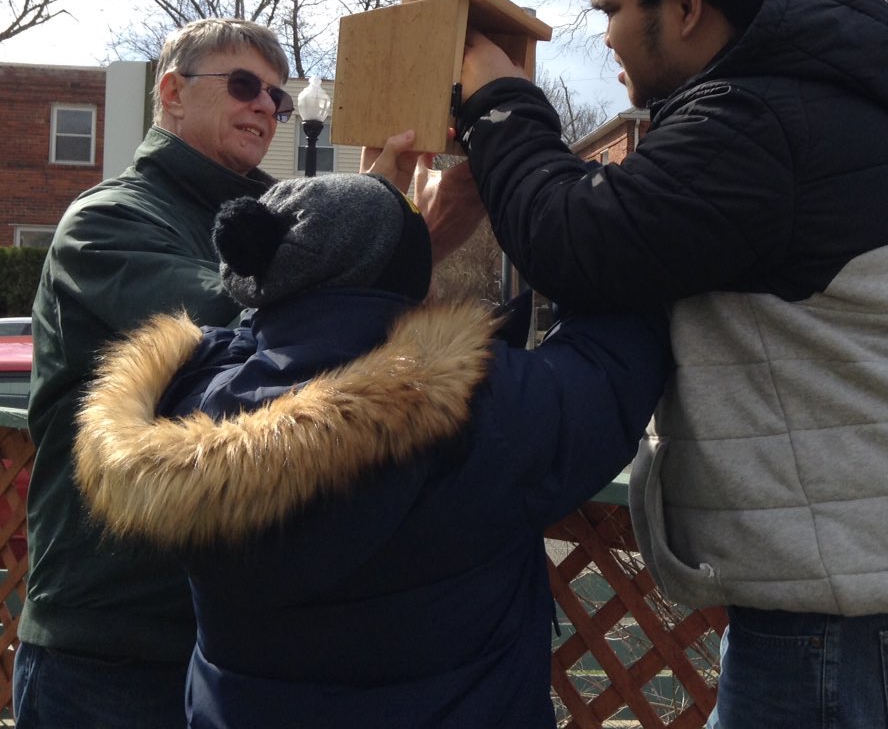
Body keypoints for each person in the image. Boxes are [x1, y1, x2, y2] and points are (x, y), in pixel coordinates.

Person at [453, 0, 888, 729]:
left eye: (611, 6)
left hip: (863, 607)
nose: (602, 33)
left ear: (684, 6)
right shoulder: (798, 103)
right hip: (877, 584)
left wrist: (498, 107)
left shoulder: (758, 122)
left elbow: (578, 241)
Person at [72, 171, 671, 729]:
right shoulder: (483, 404)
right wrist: (541, 191)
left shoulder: (187, 406)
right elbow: (615, 358)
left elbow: (259, 336)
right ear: (409, 271)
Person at [13, 18, 295, 728]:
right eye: (242, 85)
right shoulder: (107, 222)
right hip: (107, 648)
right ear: (171, 92)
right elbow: (240, 332)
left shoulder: (256, 226)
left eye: (277, 98)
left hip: (219, 642)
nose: (266, 106)